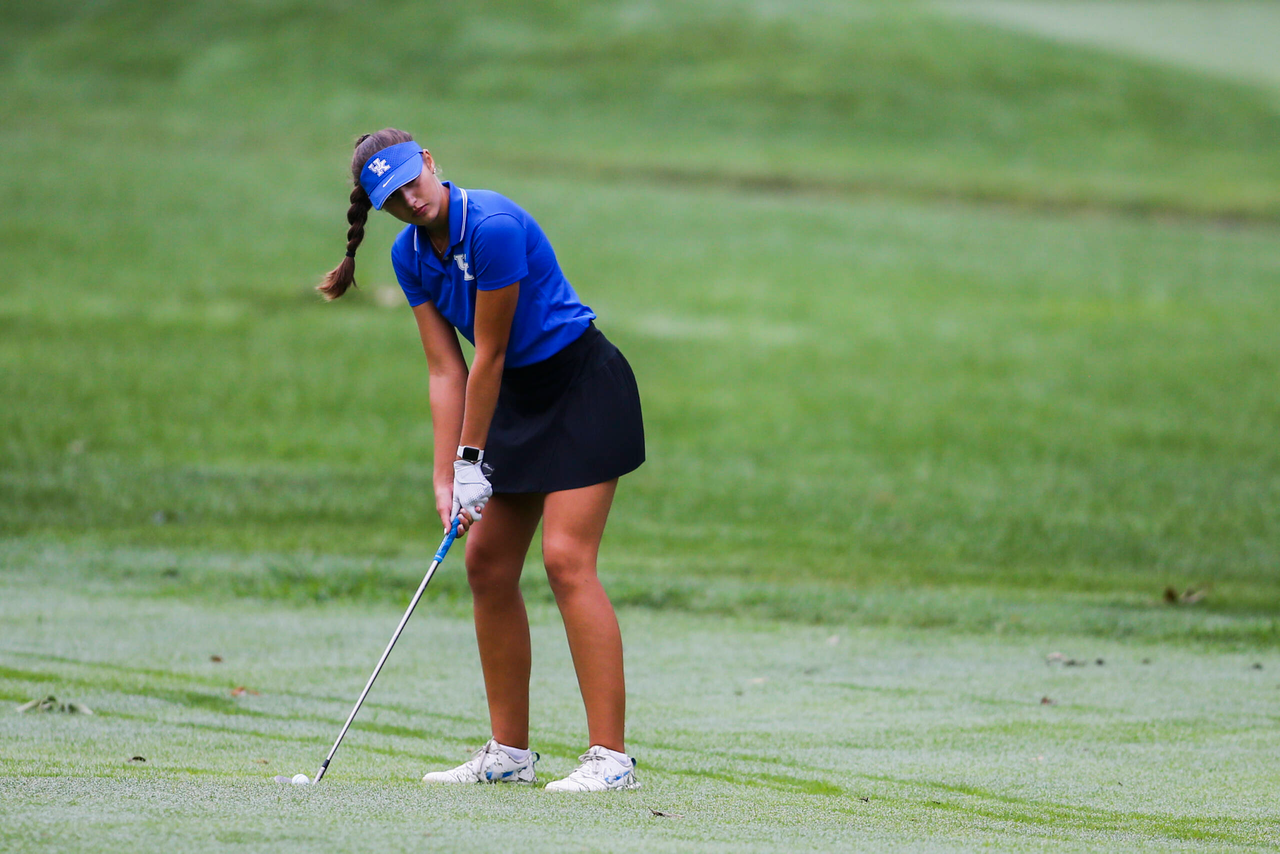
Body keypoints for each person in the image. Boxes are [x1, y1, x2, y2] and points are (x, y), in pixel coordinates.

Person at [319, 129, 645, 792]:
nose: (411, 200)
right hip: (511, 401)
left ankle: (611, 760)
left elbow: (489, 354)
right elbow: (446, 370)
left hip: (580, 387)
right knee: (487, 565)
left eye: (413, 182)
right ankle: (509, 753)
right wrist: (447, 475)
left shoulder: (492, 225)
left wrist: (472, 459)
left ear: (429, 162)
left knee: (566, 560)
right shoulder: (410, 254)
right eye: (393, 199)